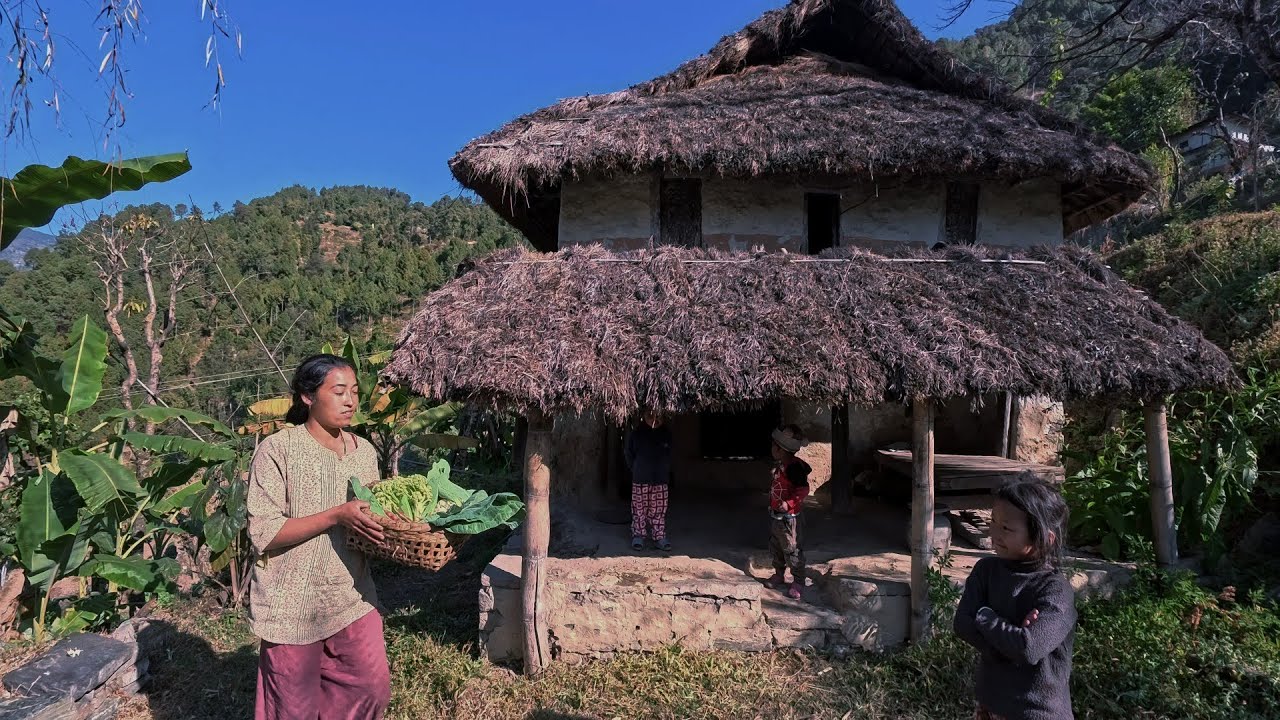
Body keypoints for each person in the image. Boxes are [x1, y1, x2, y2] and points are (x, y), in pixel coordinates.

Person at [247, 354, 391, 720]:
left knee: (371, 690)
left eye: (355, 392)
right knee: (292, 710)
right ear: (307, 396)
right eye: (339, 391)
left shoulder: (365, 453)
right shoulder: (278, 450)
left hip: (352, 595)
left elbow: (371, 517)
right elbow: (266, 531)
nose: (350, 401)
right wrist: (336, 515)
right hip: (290, 602)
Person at [953, 476, 1075, 720]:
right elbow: (962, 625)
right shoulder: (986, 571)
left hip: (1037, 712)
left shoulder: (1055, 591)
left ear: (1044, 538)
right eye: (993, 521)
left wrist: (985, 616)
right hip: (990, 704)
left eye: (1006, 528)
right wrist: (1011, 637)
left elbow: (1029, 649)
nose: (994, 532)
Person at [766, 424, 811, 600]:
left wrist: (789, 503)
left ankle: (798, 580)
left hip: (789, 520)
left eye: (773, 446)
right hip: (777, 517)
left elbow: (803, 490)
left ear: (779, 449)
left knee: (793, 550)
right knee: (776, 547)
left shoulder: (794, 468)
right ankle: (779, 573)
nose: (771, 449)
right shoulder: (782, 466)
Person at [624, 409, 672, 551]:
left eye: (658, 417)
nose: (654, 420)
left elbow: (669, 454)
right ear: (644, 416)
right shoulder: (637, 434)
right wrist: (637, 468)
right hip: (641, 477)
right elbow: (629, 453)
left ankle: (659, 536)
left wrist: (664, 468)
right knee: (639, 507)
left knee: (659, 509)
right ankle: (638, 535)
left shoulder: (666, 434)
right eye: (650, 416)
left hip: (660, 478)